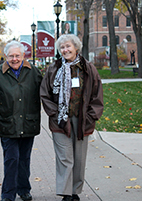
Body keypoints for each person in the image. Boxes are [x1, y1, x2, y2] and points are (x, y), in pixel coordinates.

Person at [40, 34, 104, 201]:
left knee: (79, 158)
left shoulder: (88, 69)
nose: (65, 50)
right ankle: (66, 193)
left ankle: (75, 191)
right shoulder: (53, 69)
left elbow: (97, 95)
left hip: (82, 120)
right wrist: (56, 115)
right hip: (60, 121)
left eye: (68, 46)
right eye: (62, 47)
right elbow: (45, 94)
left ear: (76, 48)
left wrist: (91, 117)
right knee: (65, 157)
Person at [0, 41, 42, 201]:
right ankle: (8, 194)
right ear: (6, 56)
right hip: (8, 123)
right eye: (11, 56)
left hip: (28, 122)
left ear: (23, 56)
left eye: (17, 55)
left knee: (24, 159)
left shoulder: (33, 72)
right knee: (11, 159)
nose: (14, 59)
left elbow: (47, 91)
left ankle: (24, 189)